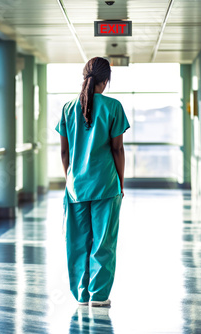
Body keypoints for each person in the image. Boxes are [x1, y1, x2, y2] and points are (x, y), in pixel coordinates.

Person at [55, 57, 130, 307]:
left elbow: (64, 153)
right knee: (104, 242)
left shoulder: (68, 108)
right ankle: (99, 296)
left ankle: (81, 294)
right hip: (106, 186)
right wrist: (120, 182)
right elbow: (117, 149)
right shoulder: (113, 106)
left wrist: (70, 178)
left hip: (75, 187)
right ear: (106, 80)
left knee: (76, 243)